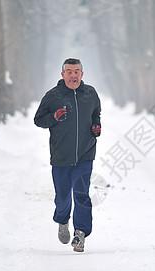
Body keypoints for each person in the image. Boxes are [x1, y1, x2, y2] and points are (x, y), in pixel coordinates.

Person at [34, 58, 101, 252]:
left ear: (82, 74)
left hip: (85, 155)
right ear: (62, 74)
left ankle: (80, 233)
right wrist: (53, 118)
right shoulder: (53, 96)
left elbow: (96, 114)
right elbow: (39, 120)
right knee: (63, 197)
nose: (73, 75)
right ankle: (62, 221)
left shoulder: (90, 94)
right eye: (69, 72)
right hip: (61, 156)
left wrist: (96, 127)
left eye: (77, 71)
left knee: (82, 195)